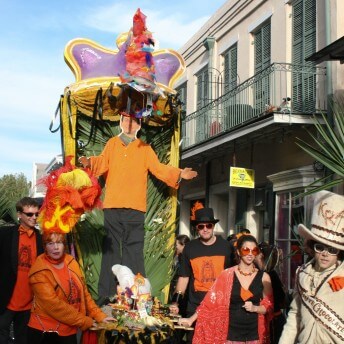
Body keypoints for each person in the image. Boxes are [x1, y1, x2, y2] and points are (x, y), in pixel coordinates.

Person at [79, 113, 197, 303]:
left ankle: (137, 295)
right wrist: (89, 163)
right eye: (126, 120)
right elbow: (101, 162)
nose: (129, 124)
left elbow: (159, 169)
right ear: (120, 123)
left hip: (136, 209)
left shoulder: (145, 148)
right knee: (111, 252)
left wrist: (179, 174)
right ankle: (105, 295)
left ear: (139, 125)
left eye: (133, 121)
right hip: (113, 206)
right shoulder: (112, 144)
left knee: (133, 252)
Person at [180, 234, 274, 344]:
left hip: (255, 336)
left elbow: (269, 306)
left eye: (254, 251)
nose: (249, 254)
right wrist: (191, 320)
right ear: (238, 252)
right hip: (231, 336)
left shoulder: (264, 277)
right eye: (245, 250)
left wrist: (255, 308)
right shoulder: (227, 275)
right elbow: (209, 303)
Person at [279, 190, 344, 344]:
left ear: (339, 254)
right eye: (320, 247)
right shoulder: (302, 274)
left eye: (332, 250)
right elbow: (295, 315)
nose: (325, 254)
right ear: (312, 247)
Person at [27, 231, 115, 343]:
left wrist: (99, 315)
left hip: (70, 329)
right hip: (46, 332)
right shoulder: (39, 270)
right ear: (44, 246)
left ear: (64, 244)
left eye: (59, 242)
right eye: (50, 243)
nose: (56, 247)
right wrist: (85, 321)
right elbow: (54, 306)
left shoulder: (71, 261)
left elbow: (84, 293)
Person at [169, 207, 233, 343]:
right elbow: (184, 277)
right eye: (201, 226)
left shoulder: (226, 247)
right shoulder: (190, 248)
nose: (205, 229)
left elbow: (232, 278)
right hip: (195, 305)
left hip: (219, 307)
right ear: (196, 228)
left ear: (213, 226)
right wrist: (176, 302)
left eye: (209, 225)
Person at [0, 197, 44, 344]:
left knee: (23, 340)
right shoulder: (5, 234)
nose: (34, 217)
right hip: (6, 300)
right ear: (19, 214)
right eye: (30, 214)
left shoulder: (41, 239)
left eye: (36, 214)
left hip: (28, 303)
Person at [256, 242, 286, 344]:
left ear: (261, 256)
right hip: (275, 319)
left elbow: (279, 299)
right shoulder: (271, 273)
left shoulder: (267, 275)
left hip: (273, 321)